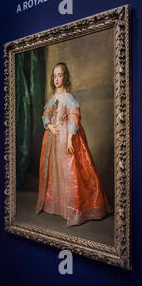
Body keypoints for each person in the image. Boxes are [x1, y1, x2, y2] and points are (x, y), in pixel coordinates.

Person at [36, 62, 113, 226]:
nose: (57, 78)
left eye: (60, 75)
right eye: (55, 75)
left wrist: (70, 138)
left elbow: (73, 117)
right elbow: (45, 115)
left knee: (72, 171)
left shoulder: (69, 97)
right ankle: (60, 205)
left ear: (65, 77)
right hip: (53, 138)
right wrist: (49, 125)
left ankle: (76, 209)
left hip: (66, 136)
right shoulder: (53, 98)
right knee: (55, 171)